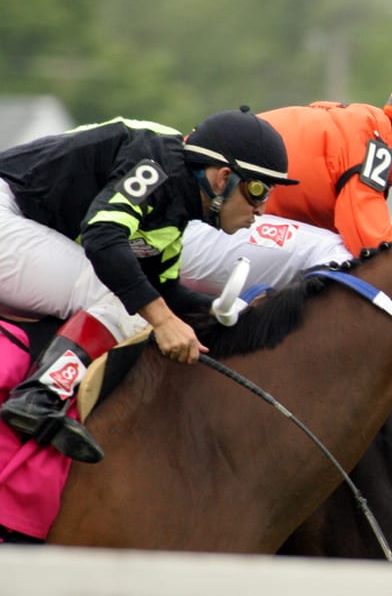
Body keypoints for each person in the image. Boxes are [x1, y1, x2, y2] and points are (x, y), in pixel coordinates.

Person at [0, 108, 289, 463]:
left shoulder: (177, 212)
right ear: (223, 178)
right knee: (121, 299)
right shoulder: (156, 163)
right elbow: (102, 236)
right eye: (258, 190)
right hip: (6, 209)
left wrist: (222, 310)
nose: (261, 209)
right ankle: (38, 398)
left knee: (137, 302)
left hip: (18, 221)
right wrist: (164, 321)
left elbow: (163, 290)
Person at [179, 68, 392, 293]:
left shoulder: (368, 136)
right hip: (190, 224)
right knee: (344, 259)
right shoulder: (373, 143)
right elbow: (374, 246)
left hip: (197, 225)